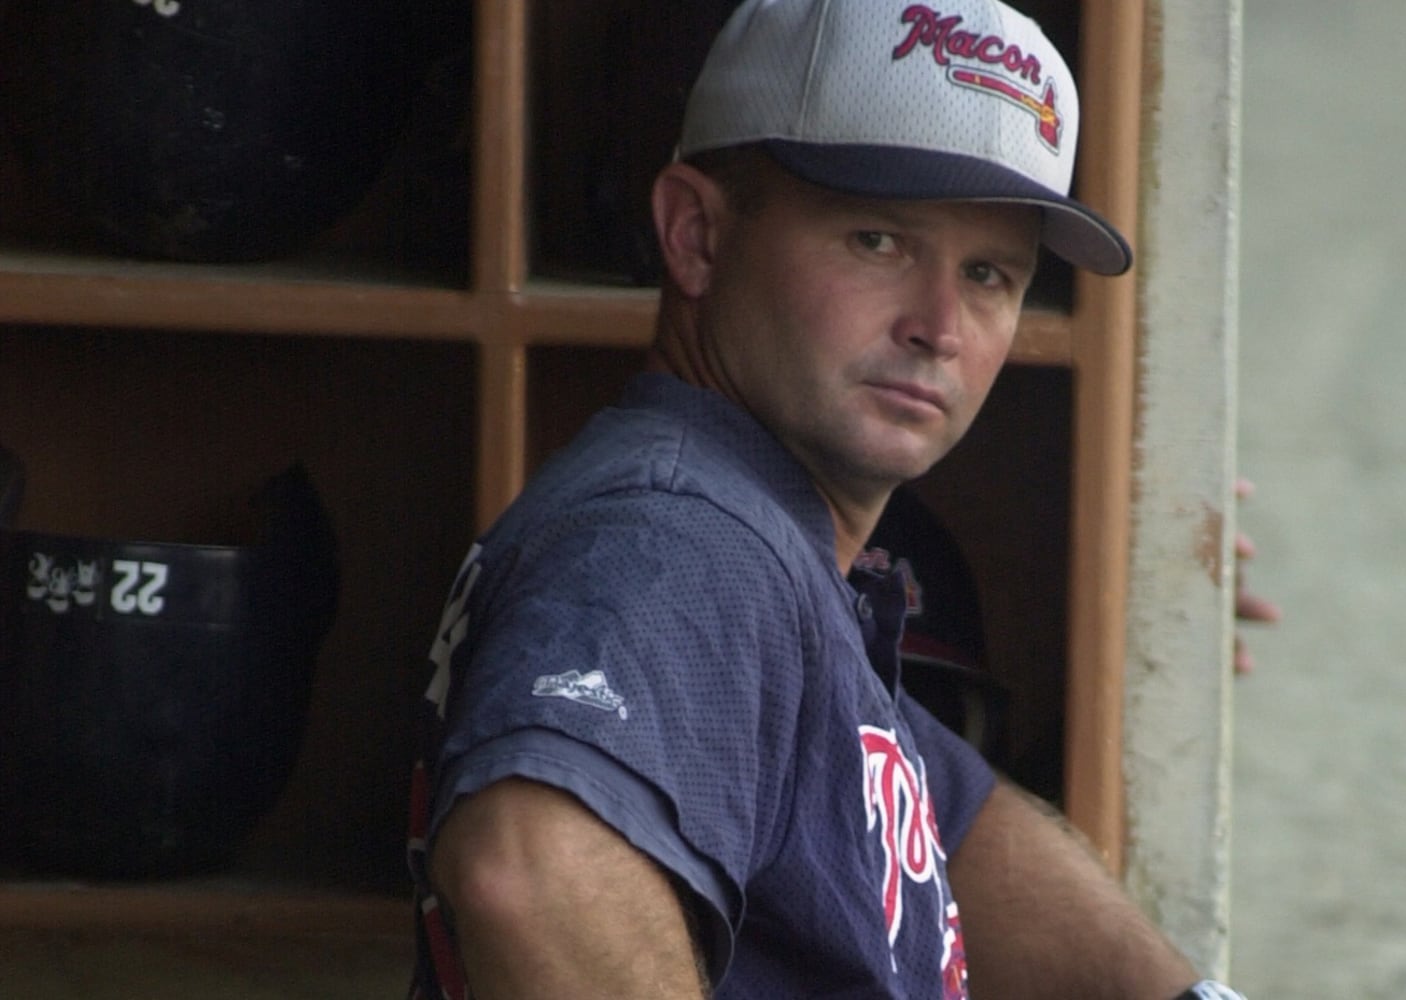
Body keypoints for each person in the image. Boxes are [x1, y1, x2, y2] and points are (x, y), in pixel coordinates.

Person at [407, 2, 1252, 998]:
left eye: (988, 273)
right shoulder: (681, 536)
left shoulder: (766, 535)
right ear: (696, 235)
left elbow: (941, 821)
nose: (939, 325)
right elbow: (530, 869)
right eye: (877, 240)